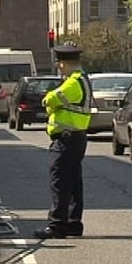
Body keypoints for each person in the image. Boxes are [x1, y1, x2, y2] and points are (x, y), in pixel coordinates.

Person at [34, 42, 93, 239]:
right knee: (74, 182)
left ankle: (57, 224)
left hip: (66, 139)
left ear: (62, 63)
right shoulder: (82, 79)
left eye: (59, 63)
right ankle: (73, 223)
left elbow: (50, 99)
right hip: (76, 137)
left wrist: (49, 102)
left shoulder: (73, 82)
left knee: (59, 181)